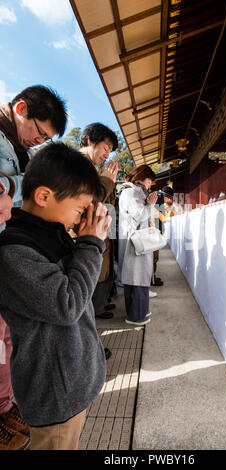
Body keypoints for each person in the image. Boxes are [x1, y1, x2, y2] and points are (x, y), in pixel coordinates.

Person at [0, 142, 111, 450]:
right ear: (44, 196)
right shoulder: (14, 251)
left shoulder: (51, 233)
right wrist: (90, 244)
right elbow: (68, 305)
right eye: (78, 210)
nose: (79, 220)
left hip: (70, 388)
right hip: (55, 397)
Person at [0, 85, 67, 450]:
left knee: (4, 338)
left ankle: (5, 407)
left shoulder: (16, 150)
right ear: (21, 108)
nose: (37, 142)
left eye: (45, 139)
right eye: (39, 132)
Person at [80, 123, 118, 321]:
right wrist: (107, 181)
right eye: (106, 148)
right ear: (90, 141)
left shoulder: (93, 169)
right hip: (79, 240)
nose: (107, 155)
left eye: (110, 151)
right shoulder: (76, 165)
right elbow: (90, 202)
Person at [118, 165, 157, 326]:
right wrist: (151, 204)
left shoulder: (134, 191)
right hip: (134, 242)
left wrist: (148, 203)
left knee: (138, 277)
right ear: (141, 177)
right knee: (136, 278)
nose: (149, 186)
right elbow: (140, 215)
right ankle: (136, 316)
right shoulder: (130, 192)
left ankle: (140, 311)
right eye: (149, 182)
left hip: (137, 240)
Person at [151, 185, 174, 289]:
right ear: (166, 196)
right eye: (168, 198)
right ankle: (151, 279)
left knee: (153, 258)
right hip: (154, 234)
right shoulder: (159, 200)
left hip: (153, 232)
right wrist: (167, 210)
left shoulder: (156, 197)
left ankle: (152, 277)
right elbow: (163, 217)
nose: (168, 200)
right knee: (154, 258)